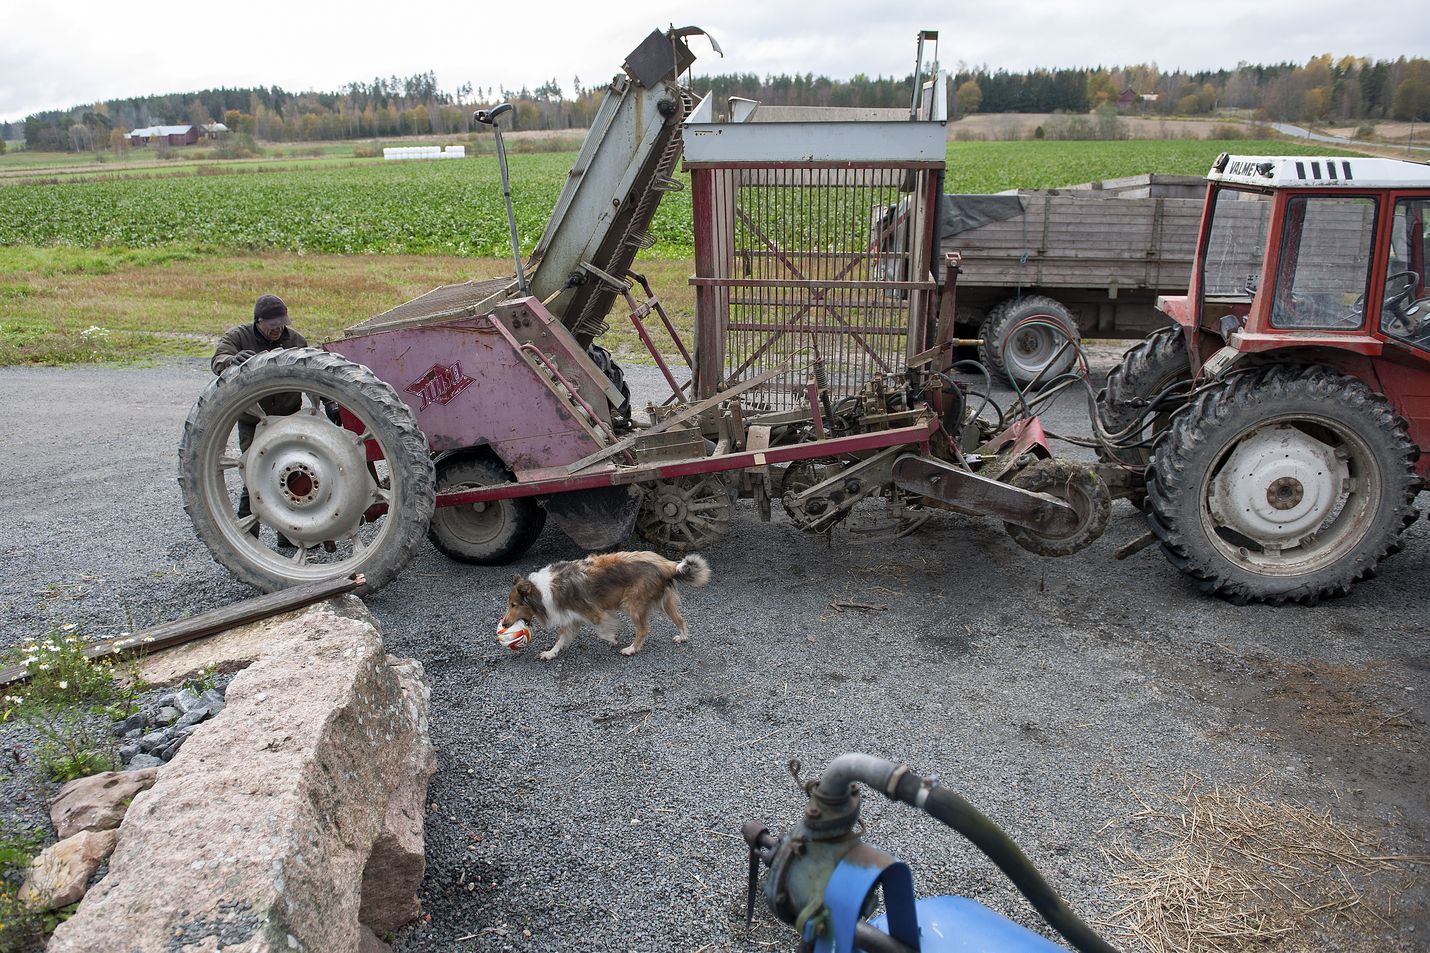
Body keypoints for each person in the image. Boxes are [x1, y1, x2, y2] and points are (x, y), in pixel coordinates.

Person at [211, 294, 311, 549]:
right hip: (254, 420)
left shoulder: (296, 340)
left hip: (289, 419)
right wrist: (231, 362)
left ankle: (289, 537)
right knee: (255, 476)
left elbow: (314, 371)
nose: (278, 329)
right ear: (258, 321)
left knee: (294, 475)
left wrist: (330, 404)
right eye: (273, 324)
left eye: (282, 323)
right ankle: (248, 537)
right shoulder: (238, 337)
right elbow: (218, 359)